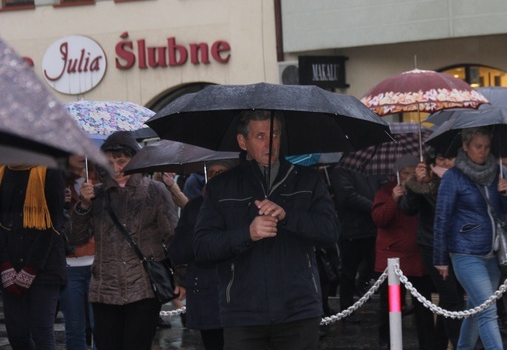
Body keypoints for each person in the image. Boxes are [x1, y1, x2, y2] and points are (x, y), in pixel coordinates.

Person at [193, 110, 340, 349]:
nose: (269, 143)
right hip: (243, 314)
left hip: (299, 311)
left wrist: (287, 216)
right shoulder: (221, 187)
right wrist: (247, 234)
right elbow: (202, 247)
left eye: (274, 134)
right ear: (243, 142)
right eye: (260, 136)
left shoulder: (307, 180)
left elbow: (330, 232)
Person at [71, 131, 182, 350]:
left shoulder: (155, 191)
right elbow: (76, 238)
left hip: (143, 289)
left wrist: (181, 276)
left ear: (136, 159)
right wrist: (83, 205)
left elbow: (173, 236)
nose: (116, 168)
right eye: (109, 162)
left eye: (122, 161)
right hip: (105, 291)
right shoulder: (97, 194)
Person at [434, 127, 507, 350]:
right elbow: (442, 217)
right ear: (465, 147)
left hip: (492, 252)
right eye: (478, 146)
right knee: (488, 310)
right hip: (465, 253)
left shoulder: (495, 174)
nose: (483, 151)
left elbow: (505, 210)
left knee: (476, 307)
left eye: (487, 147)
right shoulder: (453, 177)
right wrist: (440, 258)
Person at [400, 151, 463, 350]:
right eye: (440, 159)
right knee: (452, 298)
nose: (446, 162)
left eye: (450, 158)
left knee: (451, 298)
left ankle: (438, 344)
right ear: (431, 162)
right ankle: (461, 344)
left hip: (459, 245)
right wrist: (418, 186)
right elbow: (408, 209)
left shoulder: (462, 179)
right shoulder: (425, 181)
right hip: (432, 245)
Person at [168, 159, 234, 350]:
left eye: (221, 172)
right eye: (211, 173)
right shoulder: (194, 208)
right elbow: (177, 252)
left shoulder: (246, 205)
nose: (215, 177)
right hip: (207, 296)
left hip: (240, 297)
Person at [0, 164, 66, 350]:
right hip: (10, 265)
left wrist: (31, 268)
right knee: (17, 335)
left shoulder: (51, 171)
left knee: (42, 332)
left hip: (44, 266)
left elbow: (54, 224)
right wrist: (4, 264)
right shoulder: (3, 171)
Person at [372, 155, 434, 350]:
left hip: (418, 256)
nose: (408, 177)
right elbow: (379, 219)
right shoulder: (385, 191)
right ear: (397, 175)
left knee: (423, 308)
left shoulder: (423, 189)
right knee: (391, 307)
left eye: (412, 172)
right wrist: (393, 200)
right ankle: (388, 343)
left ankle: (428, 344)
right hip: (392, 259)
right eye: (405, 173)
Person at [329, 166, 388, 322]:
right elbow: (347, 196)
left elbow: (384, 185)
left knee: (381, 271)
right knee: (348, 272)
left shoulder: (375, 166)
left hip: (373, 228)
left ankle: (391, 309)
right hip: (352, 229)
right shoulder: (342, 169)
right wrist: (375, 207)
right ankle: (346, 310)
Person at [60, 155, 98, 350]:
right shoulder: (57, 180)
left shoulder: (98, 180)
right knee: (74, 327)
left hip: (97, 262)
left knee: (99, 325)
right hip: (69, 265)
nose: (77, 153)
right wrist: (62, 202)